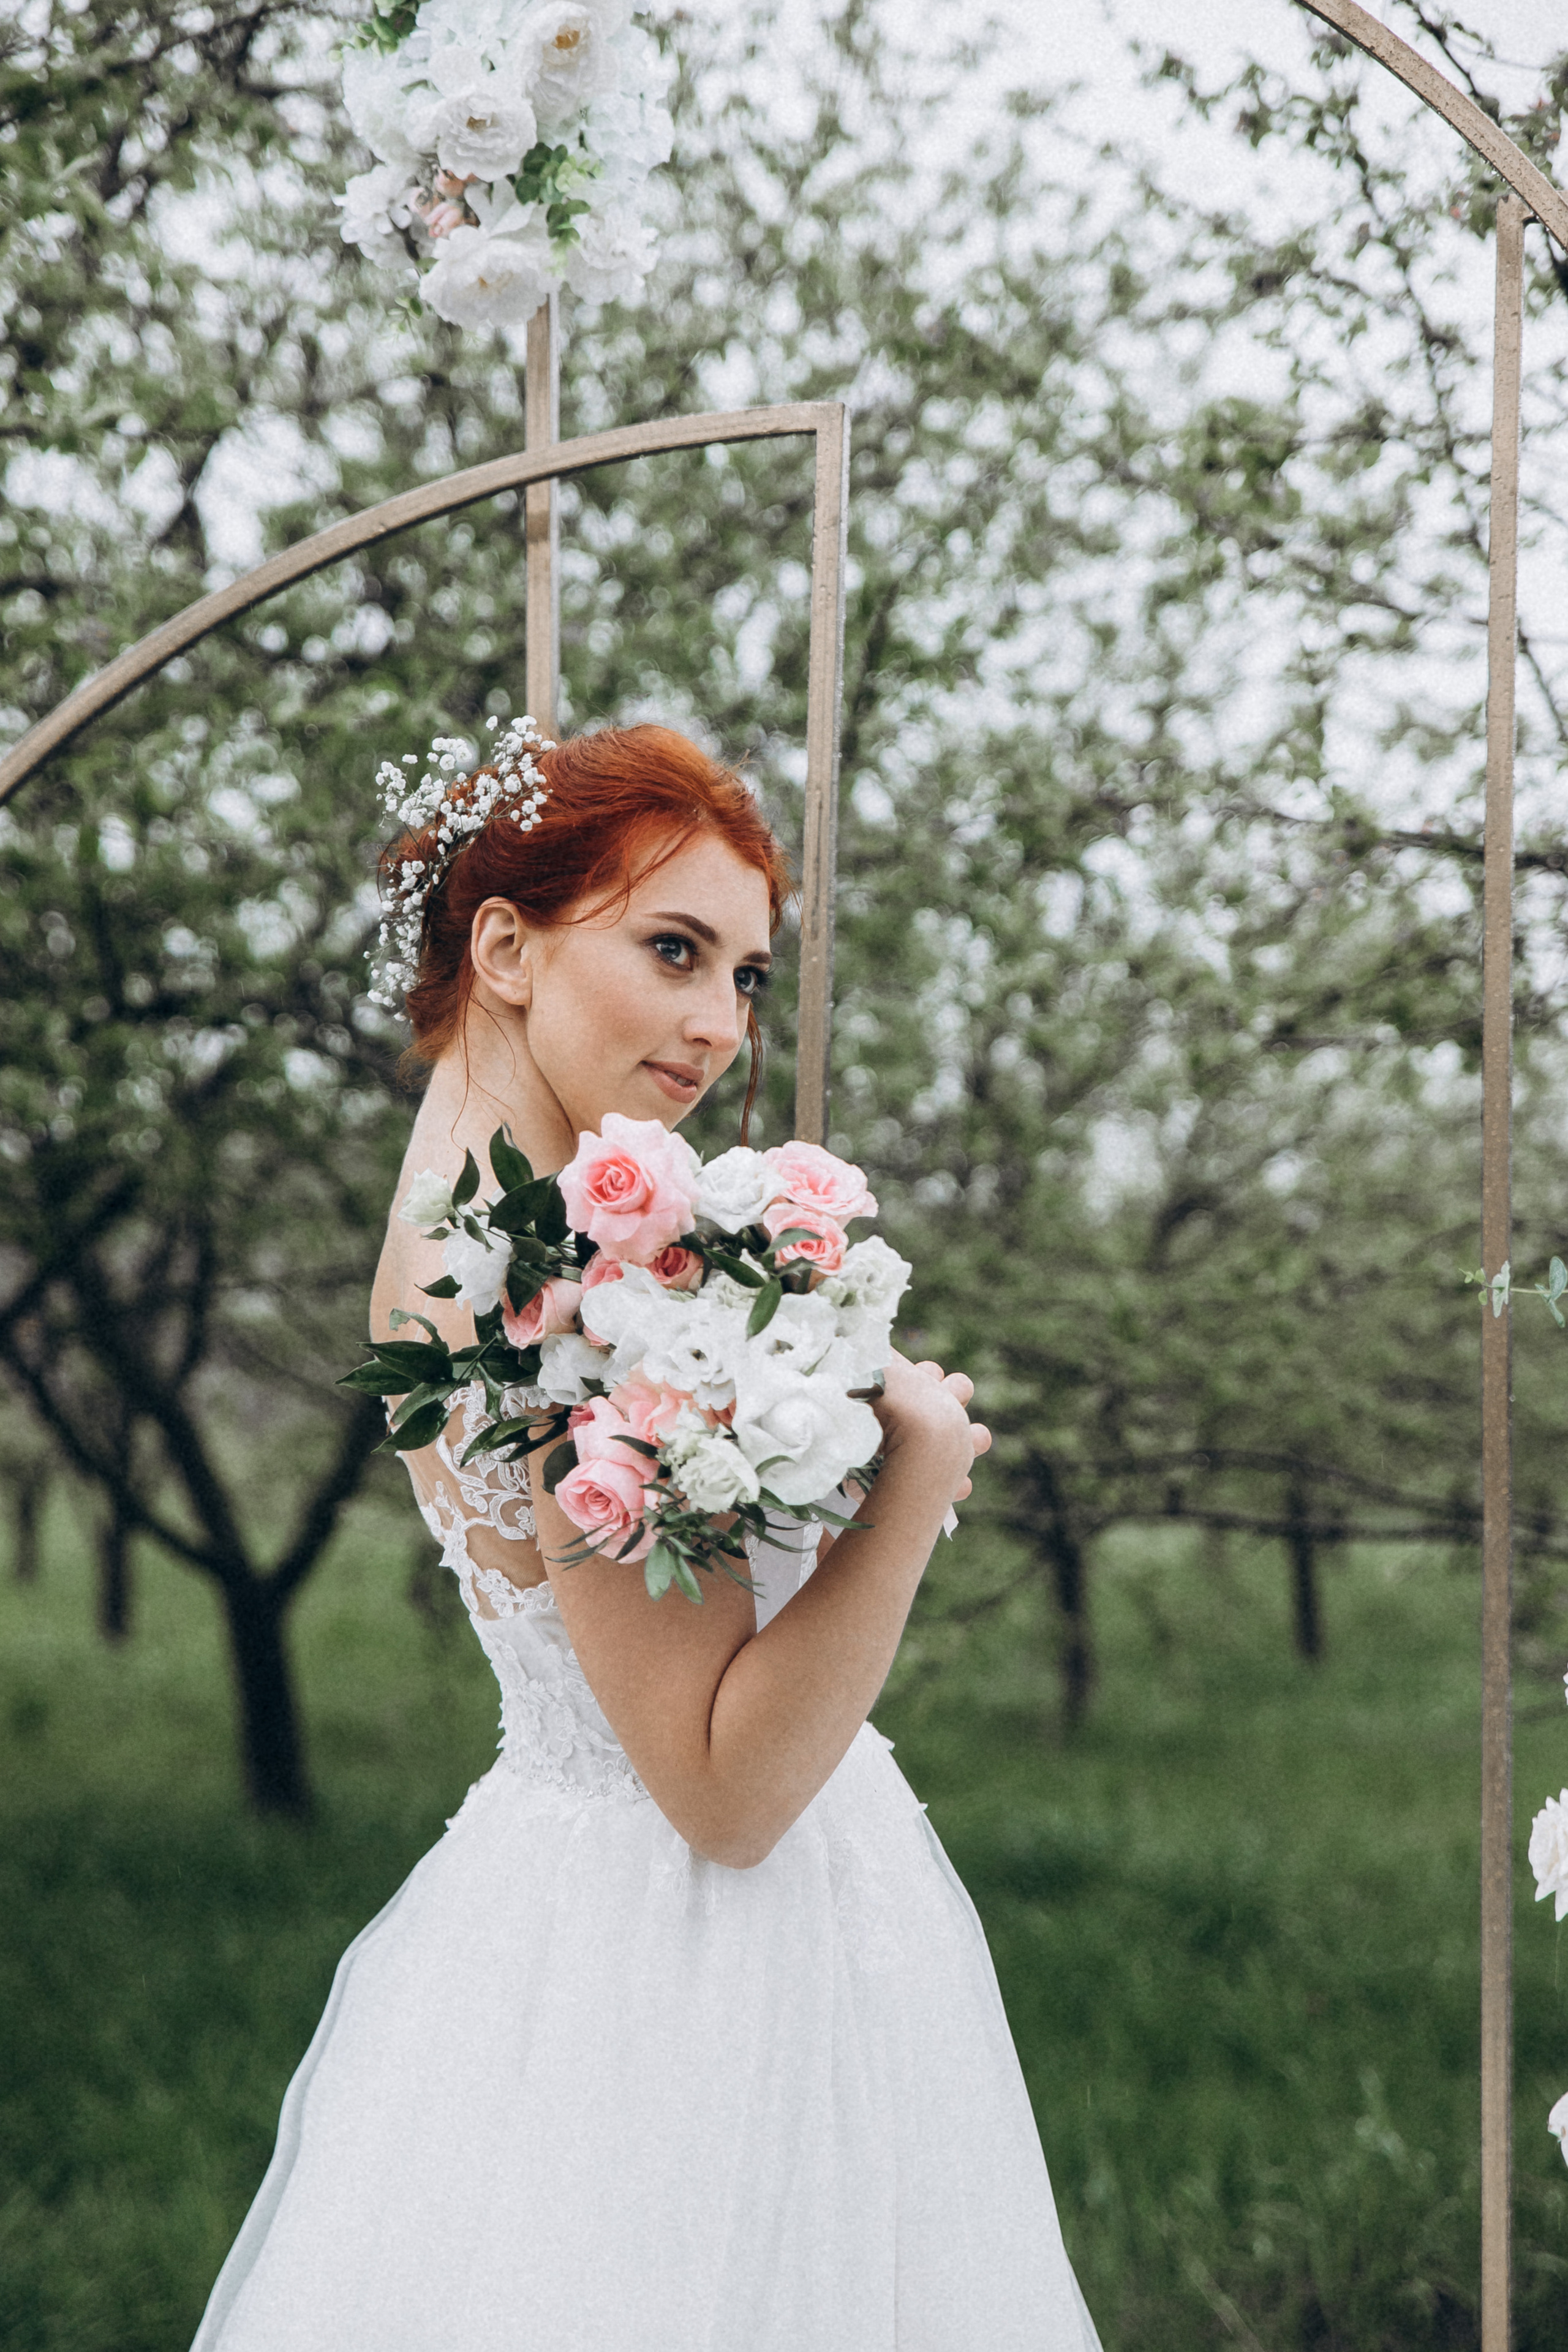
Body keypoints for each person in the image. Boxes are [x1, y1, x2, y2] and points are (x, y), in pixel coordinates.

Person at [192, 723, 1102, 2351]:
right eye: (673, 950)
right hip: (691, 1969)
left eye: (746, 976)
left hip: (557, 1909)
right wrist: (910, 1481)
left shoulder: (455, 1236)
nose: (718, 1026)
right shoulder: (562, 1291)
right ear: (505, 946)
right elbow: (726, 1790)